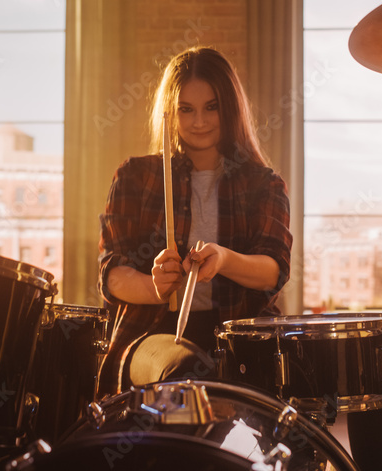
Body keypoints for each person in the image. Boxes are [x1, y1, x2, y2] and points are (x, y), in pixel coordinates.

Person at [96, 46, 293, 397]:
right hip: (153, 335)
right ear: (169, 113)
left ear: (230, 108)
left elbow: (273, 269)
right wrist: (154, 287)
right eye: (186, 110)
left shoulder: (263, 183)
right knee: (184, 372)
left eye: (211, 107)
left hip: (240, 336)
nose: (198, 121)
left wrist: (224, 259)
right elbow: (111, 274)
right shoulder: (134, 176)